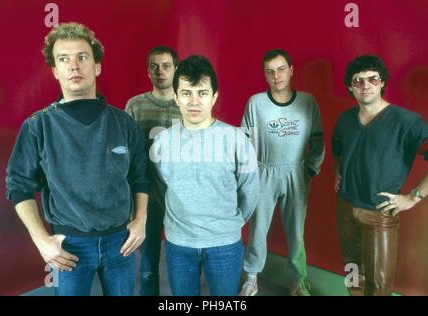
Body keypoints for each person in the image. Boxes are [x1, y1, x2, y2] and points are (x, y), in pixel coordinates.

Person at [5, 22, 149, 296]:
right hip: (69, 246)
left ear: (96, 67)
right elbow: (17, 185)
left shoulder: (123, 123)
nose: (74, 65)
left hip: (121, 243)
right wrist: (41, 240)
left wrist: (140, 220)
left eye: (82, 57)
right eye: (64, 59)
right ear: (55, 71)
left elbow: (141, 176)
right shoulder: (38, 126)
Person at [150, 55, 259, 296]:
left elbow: (250, 190)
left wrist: (231, 224)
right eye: (187, 93)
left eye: (202, 92)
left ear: (214, 96)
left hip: (224, 244)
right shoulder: (161, 142)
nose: (194, 101)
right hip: (179, 244)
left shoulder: (236, 140)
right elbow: (159, 188)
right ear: (176, 97)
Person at [332, 55, 427, 296]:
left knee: (378, 284)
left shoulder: (407, 122)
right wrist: (338, 172)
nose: (365, 86)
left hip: (379, 214)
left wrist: (414, 196)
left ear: (382, 82)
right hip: (345, 208)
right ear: (350, 87)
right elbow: (338, 148)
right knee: (353, 271)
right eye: (358, 81)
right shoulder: (345, 120)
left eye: (372, 79)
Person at [239, 49, 325, 296]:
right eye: (270, 71)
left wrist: (309, 170)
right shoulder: (256, 103)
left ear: (291, 70)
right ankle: (252, 277)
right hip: (264, 171)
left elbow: (318, 141)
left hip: (296, 173)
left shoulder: (307, 102)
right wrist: (249, 175)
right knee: (257, 230)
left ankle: (298, 280)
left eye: (280, 69)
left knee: (297, 232)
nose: (276, 76)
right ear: (265, 75)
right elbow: (244, 143)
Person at [125, 46, 181, 296]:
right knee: (148, 266)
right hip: (147, 199)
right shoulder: (135, 106)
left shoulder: (187, 104)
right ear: (148, 71)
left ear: (175, 69)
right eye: (155, 66)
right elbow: (125, 156)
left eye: (166, 65)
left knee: (183, 264)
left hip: (181, 198)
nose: (161, 71)